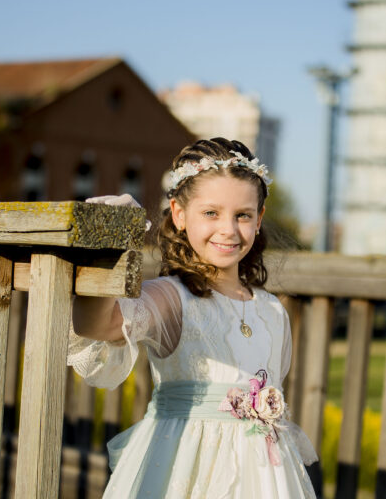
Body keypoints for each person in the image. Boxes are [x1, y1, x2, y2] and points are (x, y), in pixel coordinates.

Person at [68, 137, 318, 498]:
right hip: (186, 468)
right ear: (180, 214)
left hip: (262, 479)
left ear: (259, 218)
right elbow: (96, 325)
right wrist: (109, 248)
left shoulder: (272, 310)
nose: (229, 230)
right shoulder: (172, 297)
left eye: (243, 215)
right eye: (211, 213)